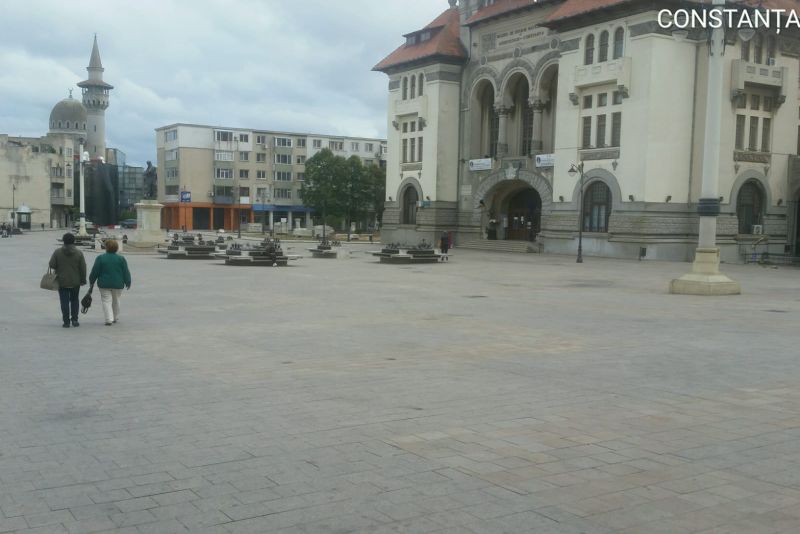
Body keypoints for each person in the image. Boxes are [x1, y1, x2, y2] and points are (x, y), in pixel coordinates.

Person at [89, 239, 132, 326]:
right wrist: (128, 282)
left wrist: (92, 280)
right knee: (116, 300)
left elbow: (95, 271)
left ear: (106, 247)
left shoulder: (100, 258)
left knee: (106, 301)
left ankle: (108, 319)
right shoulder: (121, 259)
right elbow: (125, 272)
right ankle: (115, 317)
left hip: (104, 284)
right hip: (118, 284)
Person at [49, 232, 87, 327]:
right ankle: (74, 320)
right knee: (74, 300)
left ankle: (66, 321)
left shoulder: (57, 252)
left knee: (64, 301)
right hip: (75, 281)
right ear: (74, 241)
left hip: (62, 281)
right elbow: (83, 268)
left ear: (63, 241)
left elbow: (52, 264)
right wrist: (83, 280)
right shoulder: (79, 253)